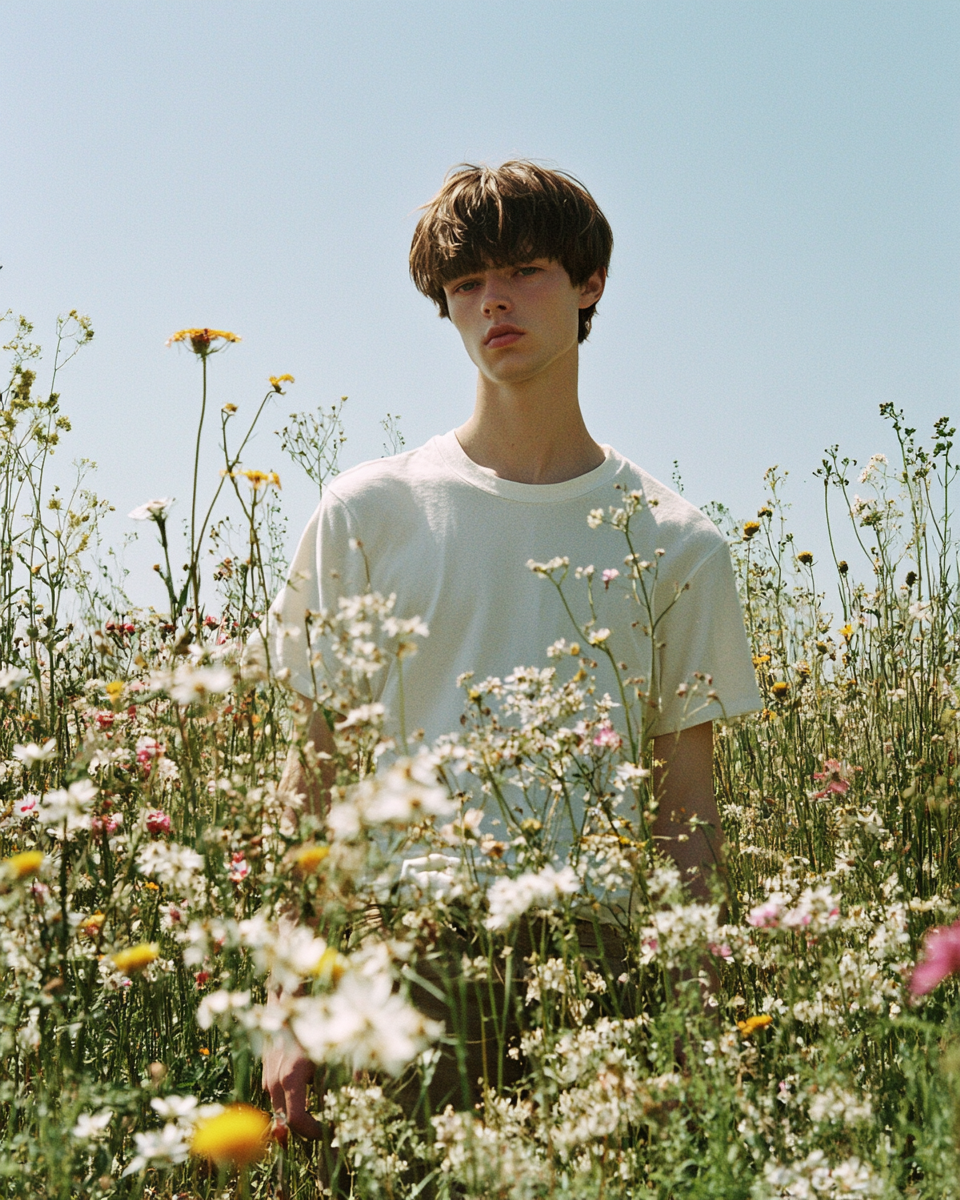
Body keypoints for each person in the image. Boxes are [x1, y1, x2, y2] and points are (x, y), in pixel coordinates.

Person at [262, 161, 762, 1136]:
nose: (494, 300)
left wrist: (704, 1016)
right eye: (465, 283)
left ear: (589, 286)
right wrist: (284, 1000)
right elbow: (310, 783)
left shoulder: (676, 541)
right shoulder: (368, 511)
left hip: (599, 969)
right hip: (399, 958)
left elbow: (686, 812)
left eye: (527, 269)